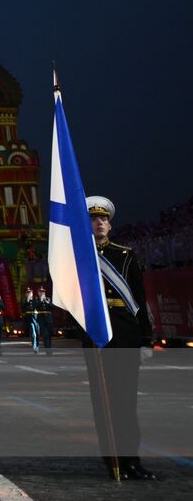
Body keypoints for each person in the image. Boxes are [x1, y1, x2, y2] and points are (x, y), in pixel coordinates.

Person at [80, 195, 156, 480]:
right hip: (98, 337)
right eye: (93, 219)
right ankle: (111, 458)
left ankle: (131, 460)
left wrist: (146, 340)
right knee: (103, 403)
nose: (99, 223)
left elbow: (139, 298)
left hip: (125, 335)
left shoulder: (125, 255)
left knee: (126, 401)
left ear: (110, 225)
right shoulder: (80, 257)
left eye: (104, 219)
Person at [35, 288, 54, 355]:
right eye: (40, 292)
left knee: (49, 335)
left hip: (49, 319)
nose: (42, 293)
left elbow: (53, 307)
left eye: (43, 292)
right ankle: (48, 352)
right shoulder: (37, 300)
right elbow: (36, 306)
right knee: (45, 335)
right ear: (38, 293)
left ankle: (49, 348)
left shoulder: (48, 299)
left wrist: (48, 302)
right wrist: (41, 300)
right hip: (41, 319)